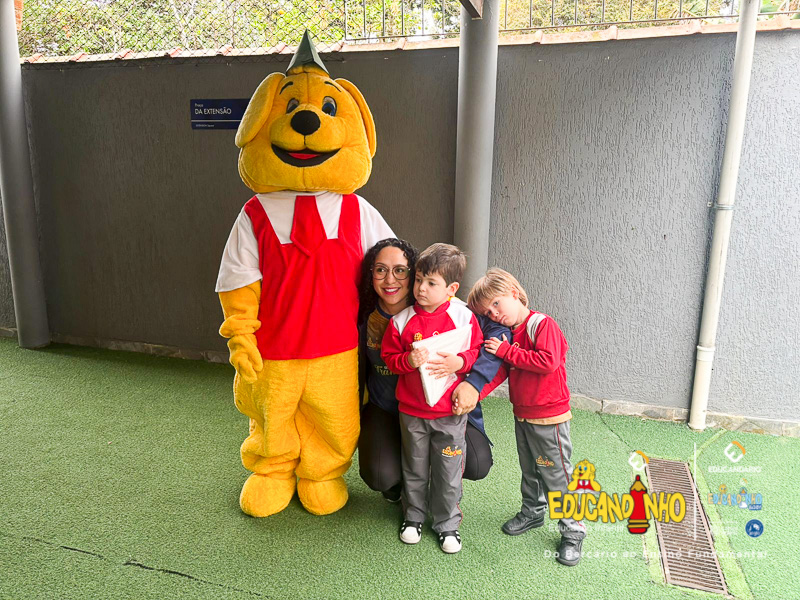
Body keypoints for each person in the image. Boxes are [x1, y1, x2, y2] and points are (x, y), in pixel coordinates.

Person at [357, 240, 508, 505]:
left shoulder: (449, 307)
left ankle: (439, 478)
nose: (390, 279)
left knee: (476, 462)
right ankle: (402, 485)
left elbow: (496, 332)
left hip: (444, 407)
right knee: (382, 474)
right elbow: (387, 360)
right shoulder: (367, 315)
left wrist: (473, 383)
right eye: (380, 270)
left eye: (400, 270)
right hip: (391, 408)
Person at [468, 267, 587, 567]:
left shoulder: (541, 324)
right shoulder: (510, 335)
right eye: (488, 313)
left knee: (556, 473)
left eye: (496, 304)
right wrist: (474, 393)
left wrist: (507, 351)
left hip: (550, 417)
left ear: (514, 293)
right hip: (523, 415)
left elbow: (548, 362)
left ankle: (573, 530)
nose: (495, 314)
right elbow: (501, 373)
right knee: (530, 469)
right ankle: (533, 512)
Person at [381, 243, 482, 554]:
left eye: (431, 283)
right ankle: (413, 517)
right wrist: (407, 361)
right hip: (412, 413)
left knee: (448, 470)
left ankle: (447, 523)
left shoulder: (463, 318)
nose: (421, 288)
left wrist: (460, 362)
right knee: (414, 467)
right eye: (418, 280)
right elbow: (389, 358)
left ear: (451, 289)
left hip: (450, 414)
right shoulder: (401, 320)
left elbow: (476, 352)